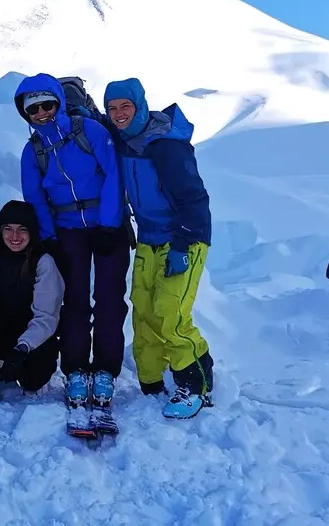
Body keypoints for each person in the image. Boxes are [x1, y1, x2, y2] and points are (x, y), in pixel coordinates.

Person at [14, 74, 132, 413]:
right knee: (74, 299)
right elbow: (34, 197)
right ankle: (76, 369)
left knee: (110, 297)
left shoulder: (91, 131)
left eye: (47, 104)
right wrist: (49, 237)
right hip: (67, 230)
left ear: (59, 103)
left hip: (107, 225)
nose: (41, 112)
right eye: (32, 108)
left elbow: (113, 175)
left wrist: (109, 224)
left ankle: (106, 369)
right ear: (25, 113)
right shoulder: (32, 150)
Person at [103, 77, 215, 419]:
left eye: (126, 106)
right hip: (150, 238)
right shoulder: (124, 142)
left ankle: (196, 383)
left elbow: (194, 197)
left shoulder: (166, 145)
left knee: (170, 311)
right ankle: (152, 381)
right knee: (144, 309)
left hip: (184, 237)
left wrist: (183, 242)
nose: (119, 114)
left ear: (140, 105)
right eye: (113, 108)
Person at [0, 200, 63, 401]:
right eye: (8, 229)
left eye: (22, 230)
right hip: (1, 326)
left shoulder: (43, 262)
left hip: (34, 334)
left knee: (34, 377)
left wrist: (22, 348)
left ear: (31, 232)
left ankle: (31, 382)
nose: (14, 236)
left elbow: (46, 317)